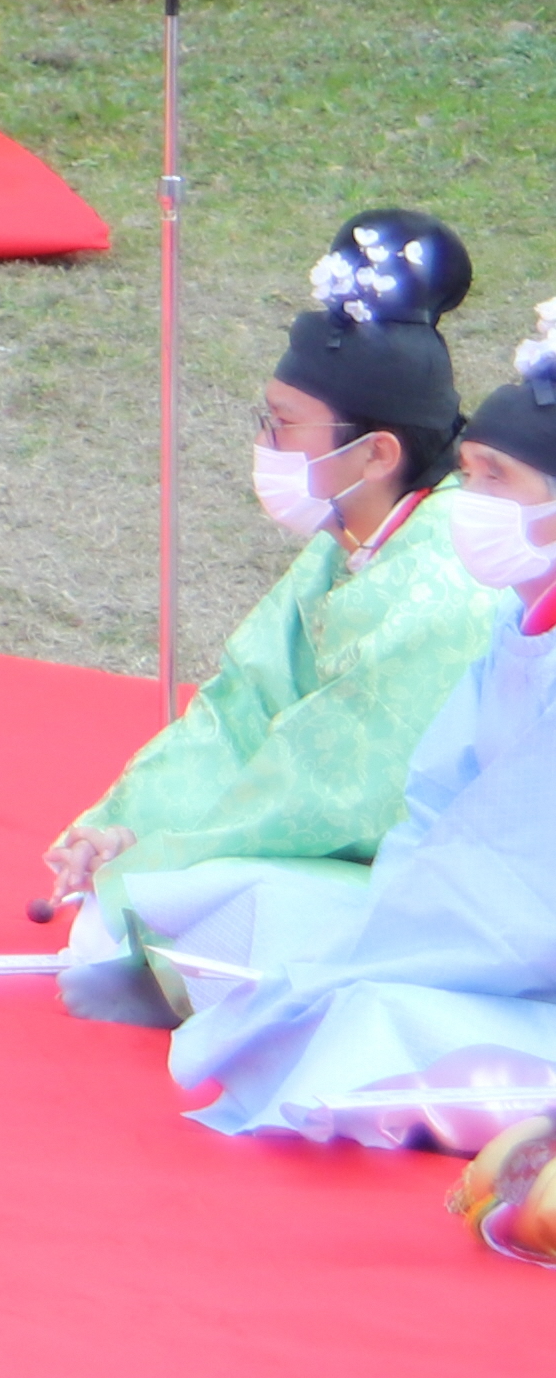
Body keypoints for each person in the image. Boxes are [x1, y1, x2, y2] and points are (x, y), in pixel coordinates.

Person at [51, 213, 508, 1028]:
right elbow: (244, 702)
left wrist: (154, 862)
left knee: (210, 926)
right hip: (378, 852)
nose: (266, 444)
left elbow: (329, 788)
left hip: (467, 874)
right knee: (149, 928)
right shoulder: (355, 534)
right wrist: (122, 821)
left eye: (283, 425)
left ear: (375, 454)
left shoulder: (447, 580)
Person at [160, 304, 556, 1147]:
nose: (470, 502)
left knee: (365, 1023)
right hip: (460, 924)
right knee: (218, 904)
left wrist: (373, 955)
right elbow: (432, 799)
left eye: (495, 482)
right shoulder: (512, 623)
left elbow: (518, 880)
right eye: (471, 476)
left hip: (516, 951)